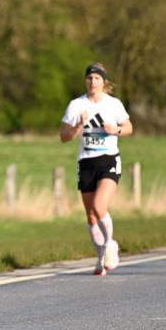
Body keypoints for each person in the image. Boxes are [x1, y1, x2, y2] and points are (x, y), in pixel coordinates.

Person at [60, 63, 134, 275]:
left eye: (97, 78)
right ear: (86, 81)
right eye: (90, 78)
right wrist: (78, 126)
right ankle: (101, 257)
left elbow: (129, 128)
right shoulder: (76, 105)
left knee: (99, 207)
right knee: (91, 216)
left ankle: (110, 245)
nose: (93, 82)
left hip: (108, 160)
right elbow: (63, 137)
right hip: (86, 162)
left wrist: (116, 129)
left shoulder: (113, 104)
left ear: (104, 82)